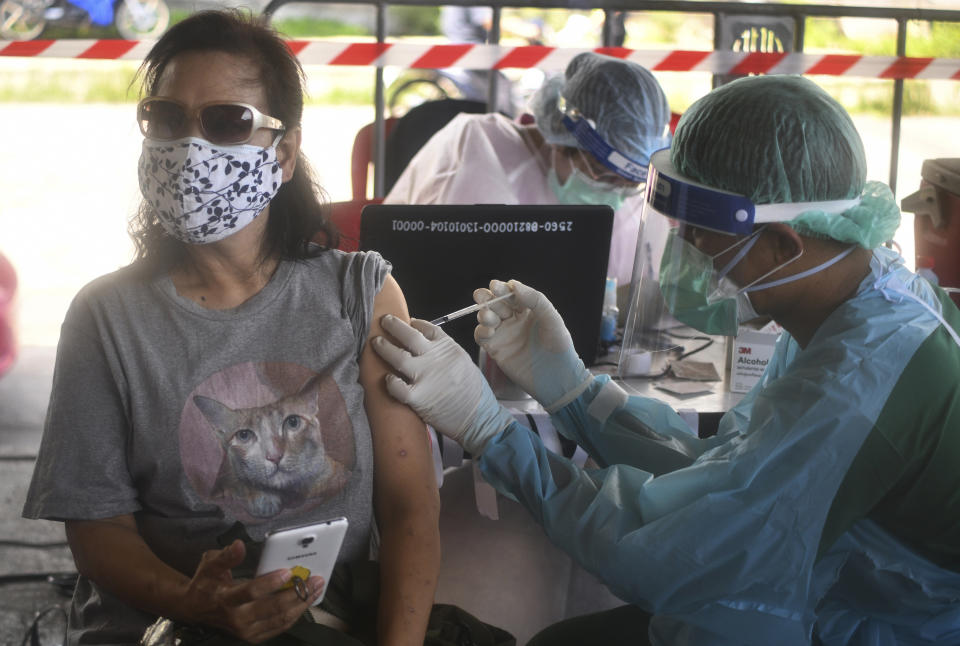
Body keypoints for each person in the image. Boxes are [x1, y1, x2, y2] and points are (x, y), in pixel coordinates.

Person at [371, 74, 960, 645]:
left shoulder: (857, 383)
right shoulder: (862, 302)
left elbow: (669, 553)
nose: (688, 251)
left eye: (703, 233)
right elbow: (725, 471)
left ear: (786, 244)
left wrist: (490, 431)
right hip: (838, 593)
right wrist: (574, 393)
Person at [21, 10, 442, 645]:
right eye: (166, 118)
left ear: (285, 152)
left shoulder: (360, 293)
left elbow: (411, 509)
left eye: (227, 121)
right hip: (162, 626)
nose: (190, 146)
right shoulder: (105, 318)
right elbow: (97, 527)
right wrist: (195, 601)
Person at [385, 51, 672, 287]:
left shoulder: (632, 198)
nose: (617, 197)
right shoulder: (482, 147)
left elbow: (641, 287)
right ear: (562, 140)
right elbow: (460, 278)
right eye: (605, 176)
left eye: (630, 184)